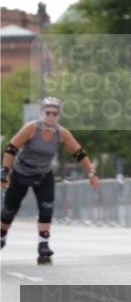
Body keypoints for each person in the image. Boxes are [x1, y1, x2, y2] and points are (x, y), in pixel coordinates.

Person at [1, 97, 100, 264]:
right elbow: (11, 148)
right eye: (48, 113)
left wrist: (91, 173)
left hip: (43, 175)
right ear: (42, 113)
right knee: (9, 211)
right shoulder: (31, 128)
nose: (51, 117)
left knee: (46, 208)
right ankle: (2, 235)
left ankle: (43, 245)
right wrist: (5, 172)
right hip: (21, 173)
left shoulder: (62, 133)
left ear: (58, 116)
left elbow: (79, 153)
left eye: (55, 114)